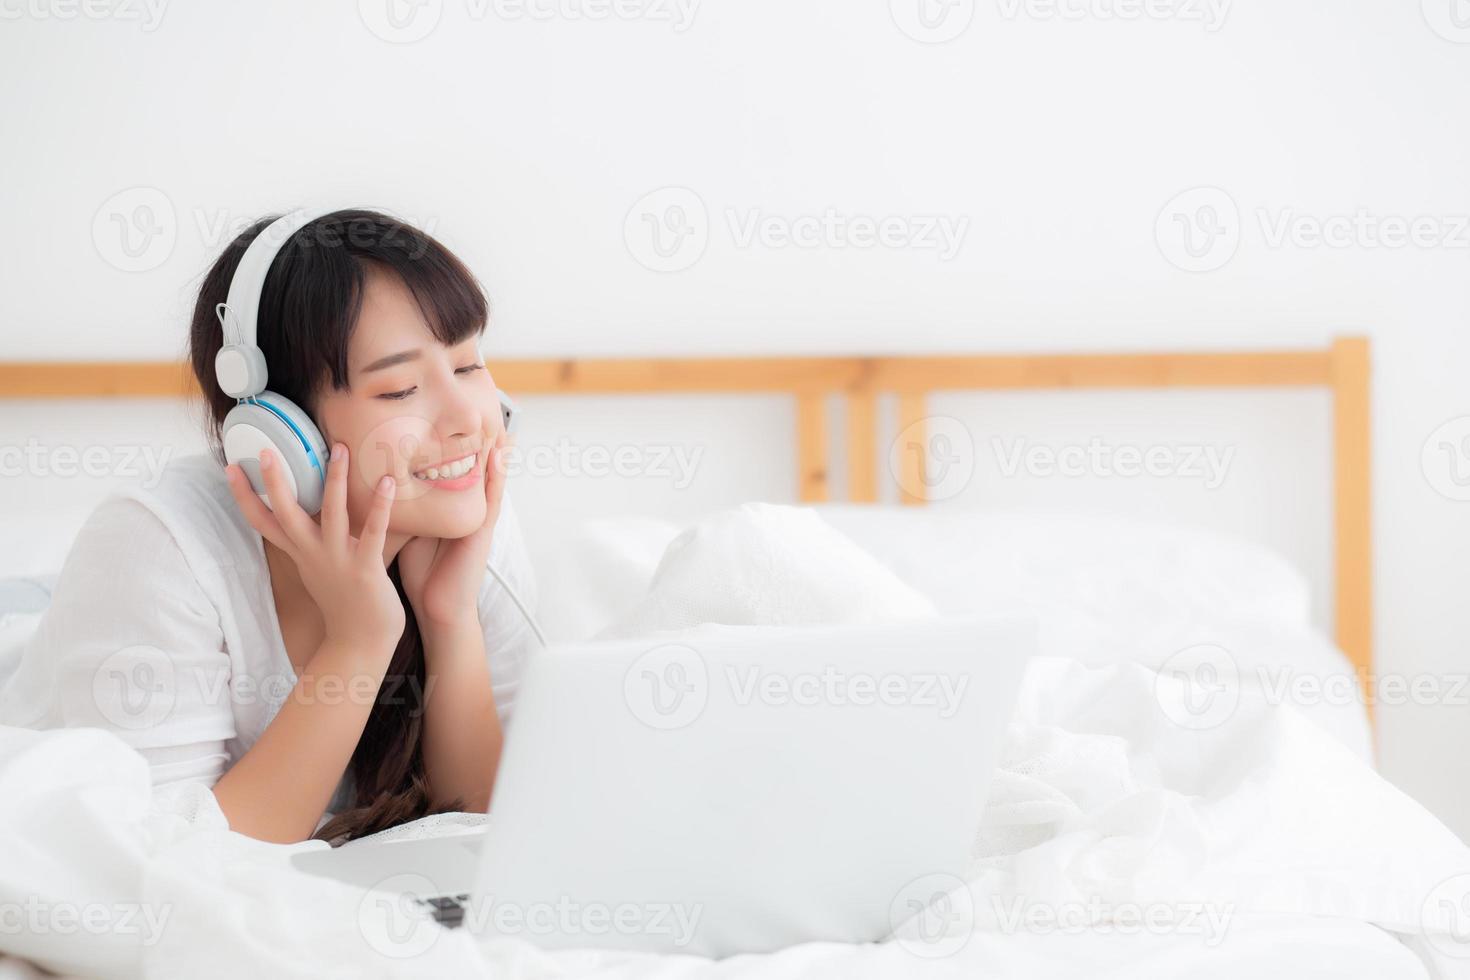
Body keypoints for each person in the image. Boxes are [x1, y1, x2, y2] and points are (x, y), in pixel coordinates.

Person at [0, 209, 539, 845]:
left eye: (469, 365)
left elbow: (491, 833)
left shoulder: (462, 520)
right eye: (400, 389)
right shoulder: (154, 545)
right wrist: (360, 641)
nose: (466, 419)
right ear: (282, 434)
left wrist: (451, 621)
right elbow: (172, 868)